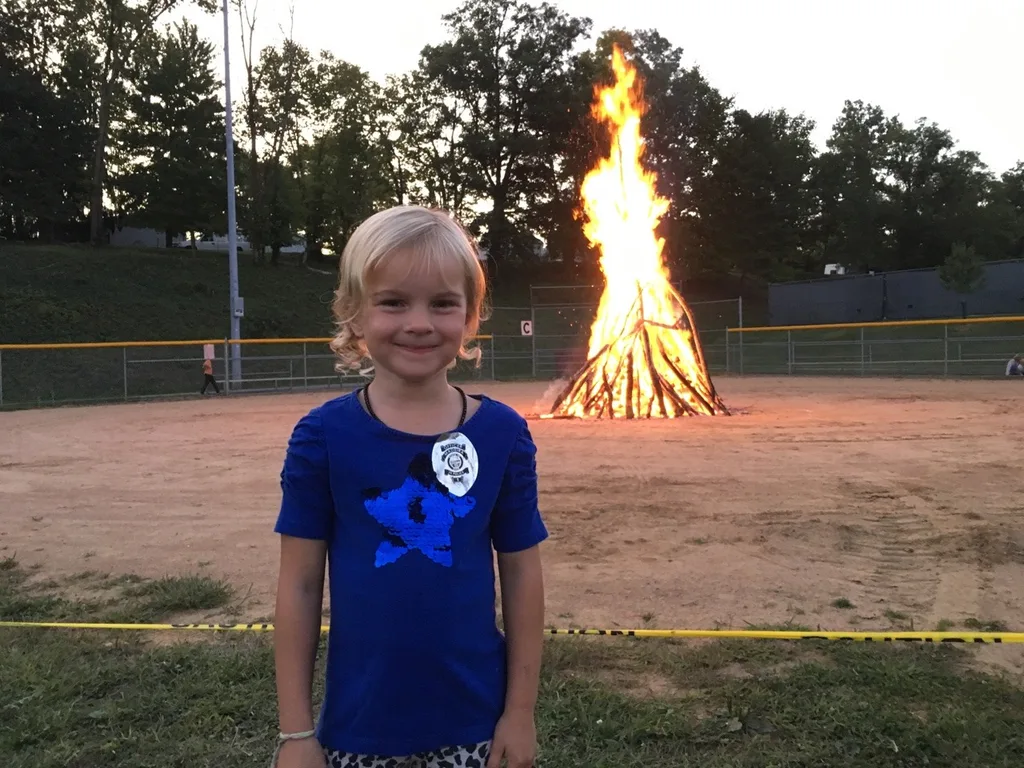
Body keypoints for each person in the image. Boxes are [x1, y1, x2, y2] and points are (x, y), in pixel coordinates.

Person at [271, 205, 548, 768]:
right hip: (357, 731)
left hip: (476, 726)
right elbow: (299, 585)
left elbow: (522, 575)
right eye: (393, 301)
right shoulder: (321, 437)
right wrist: (297, 735)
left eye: (443, 303)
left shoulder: (503, 435)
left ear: (470, 317)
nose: (419, 322)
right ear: (354, 314)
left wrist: (519, 713)